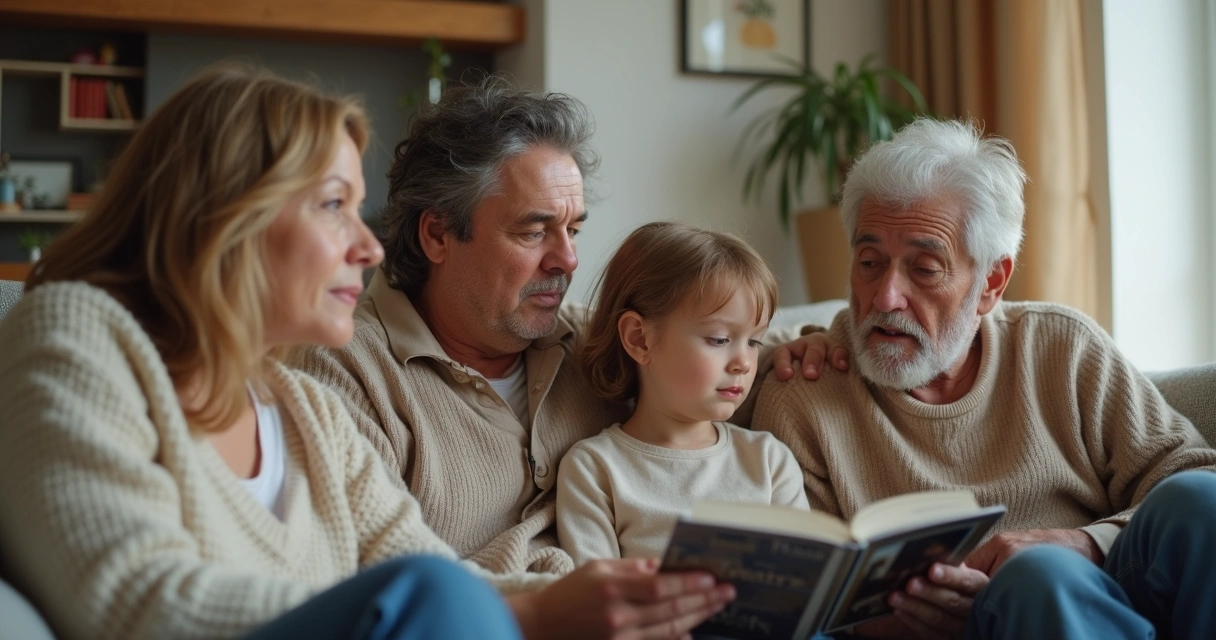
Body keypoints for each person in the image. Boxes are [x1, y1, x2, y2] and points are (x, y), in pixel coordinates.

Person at [0, 66, 736, 640]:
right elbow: (134, 603)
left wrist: (625, 601)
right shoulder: (75, 337)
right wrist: (532, 621)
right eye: (332, 206)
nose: (368, 244)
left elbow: (430, 574)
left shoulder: (303, 416)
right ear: (225, 217)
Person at [295, 75, 844, 575]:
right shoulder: (349, 374)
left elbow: (725, 345)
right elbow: (373, 585)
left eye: (574, 231)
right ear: (437, 235)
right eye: (535, 233)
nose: (569, 261)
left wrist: (813, 346)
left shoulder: (593, 340)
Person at [751, 118, 1216, 639]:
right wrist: (894, 618)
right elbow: (794, 594)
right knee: (1037, 578)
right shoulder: (805, 388)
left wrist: (1088, 542)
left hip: (1104, 594)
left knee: (1199, 501)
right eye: (869, 262)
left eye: (924, 269)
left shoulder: (1060, 347)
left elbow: (1195, 472)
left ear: (991, 282)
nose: (884, 297)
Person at [555, 222, 809, 566]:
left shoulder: (769, 461)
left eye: (754, 342)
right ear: (639, 339)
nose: (743, 364)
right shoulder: (594, 470)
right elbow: (598, 603)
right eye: (719, 339)